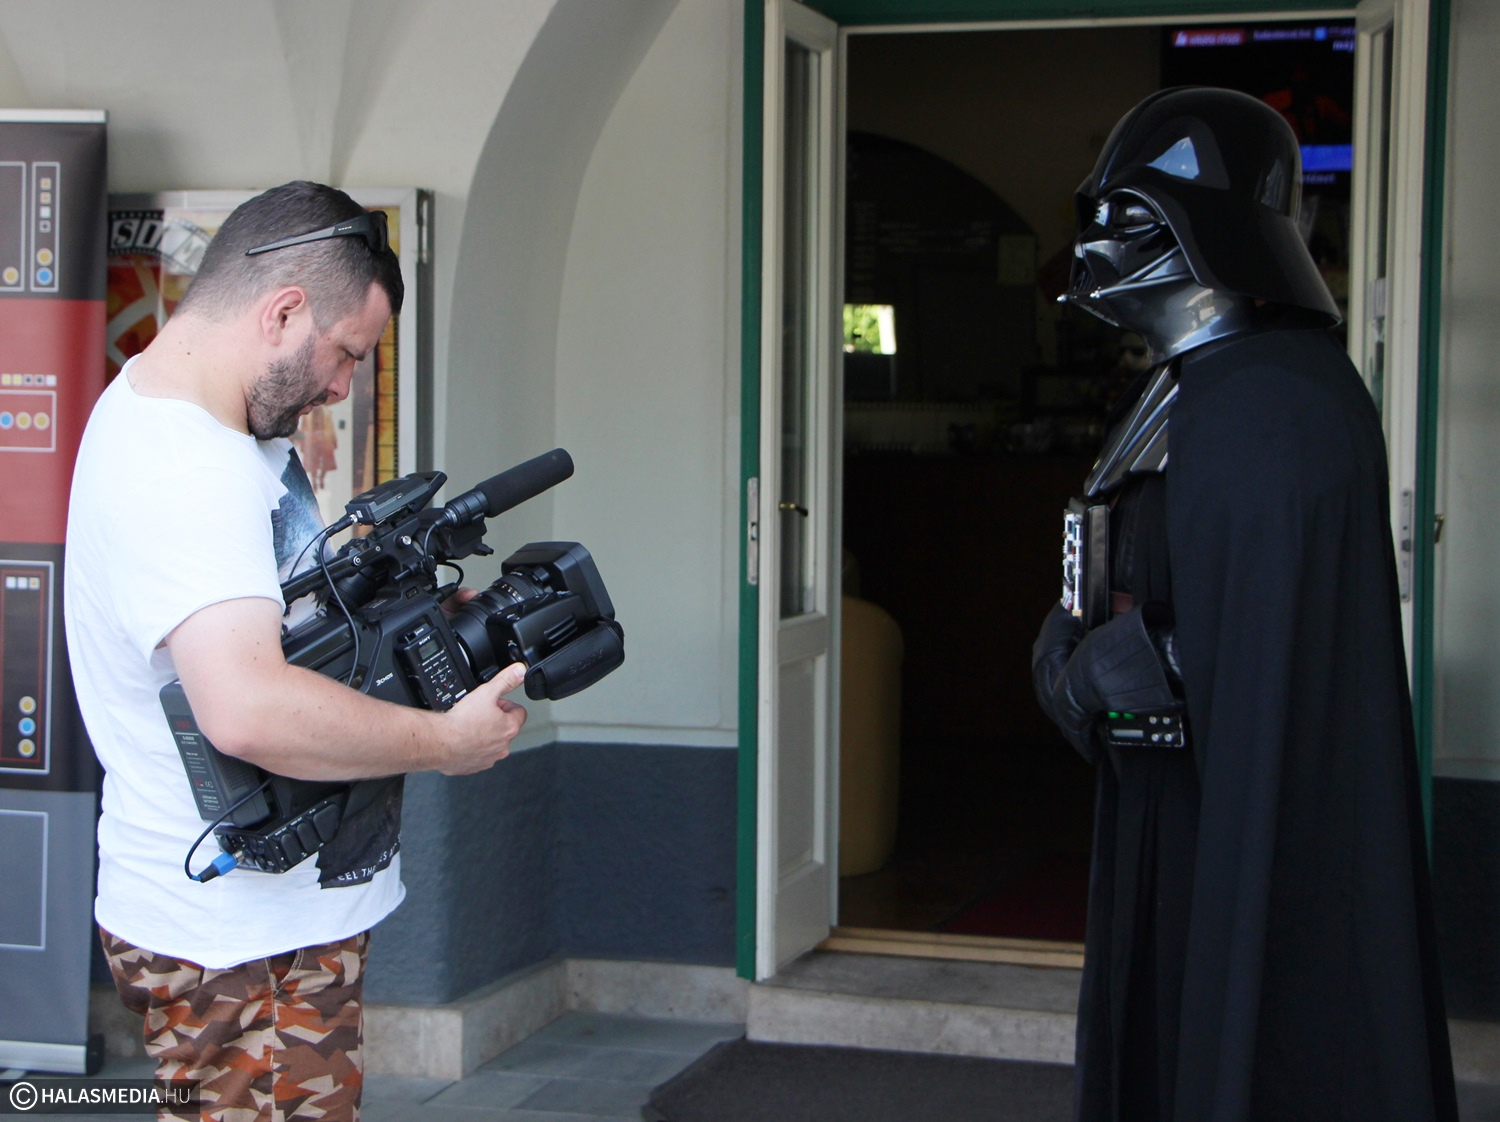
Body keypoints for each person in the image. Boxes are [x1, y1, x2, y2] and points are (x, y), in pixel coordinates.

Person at [1031, 89, 1458, 1122]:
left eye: (1131, 215)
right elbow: (1133, 556)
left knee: (1250, 1036)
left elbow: (1265, 641)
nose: (1099, 245)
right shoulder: (1195, 387)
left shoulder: (1277, 401)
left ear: (1206, 227)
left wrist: (1111, 668)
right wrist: (1072, 653)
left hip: (1234, 804)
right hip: (1170, 795)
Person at [65, 181, 529, 1122]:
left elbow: (282, 633)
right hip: (241, 945)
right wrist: (447, 743)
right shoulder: (185, 466)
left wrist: (412, 624)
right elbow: (247, 709)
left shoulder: (221, 435)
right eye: (346, 353)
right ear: (282, 312)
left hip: (263, 931)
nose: (342, 387)